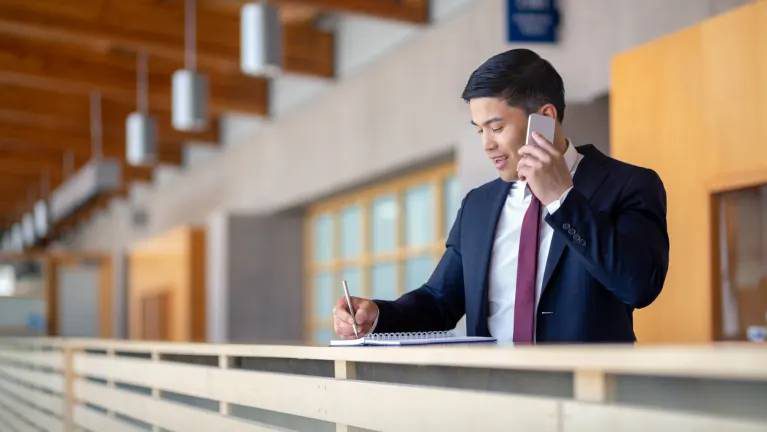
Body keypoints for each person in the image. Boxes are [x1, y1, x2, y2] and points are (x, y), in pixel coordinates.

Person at [333, 48, 669, 343]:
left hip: (586, 399)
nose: (487, 144)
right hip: (493, 400)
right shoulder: (478, 206)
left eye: (496, 128)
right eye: (479, 130)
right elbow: (439, 302)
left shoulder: (629, 184)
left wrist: (561, 200)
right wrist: (376, 315)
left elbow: (638, 286)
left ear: (545, 119)